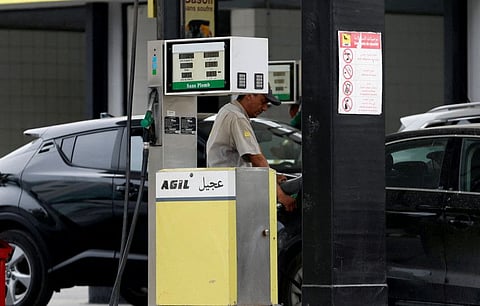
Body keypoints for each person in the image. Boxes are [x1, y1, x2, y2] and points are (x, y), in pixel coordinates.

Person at [206, 87, 297, 212]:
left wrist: (272, 176)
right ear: (249, 95)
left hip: (228, 188)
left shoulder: (228, 110)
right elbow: (257, 159)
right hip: (233, 191)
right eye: (263, 101)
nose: (265, 108)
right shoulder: (237, 117)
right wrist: (280, 195)